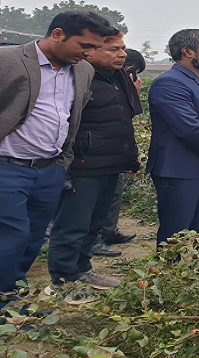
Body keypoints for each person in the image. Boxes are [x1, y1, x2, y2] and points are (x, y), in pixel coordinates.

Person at [0, 11, 116, 309]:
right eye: (85, 45)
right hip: (7, 166)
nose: (89, 53)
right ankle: (6, 302)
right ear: (57, 34)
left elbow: (69, 116)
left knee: (33, 238)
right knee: (12, 235)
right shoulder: (8, 60)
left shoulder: (82, 71)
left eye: (95, 47)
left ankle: (12, 294)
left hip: (50, 169)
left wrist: (61, 163)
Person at [46, 33, 142, 302]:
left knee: (94, 223)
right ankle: (63, 280)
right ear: (89, 52)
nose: (122, 54)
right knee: (73, 224)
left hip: (110, 162)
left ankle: (83, 268)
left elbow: (123, 122)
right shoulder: (74, 78)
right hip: (82, 163)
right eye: (113, 50)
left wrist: (130, 158)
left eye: (122, 49)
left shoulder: (119, 77)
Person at [147, 29, 199, 246]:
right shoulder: (170, 83)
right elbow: (188, 128)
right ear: (188, 51)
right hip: (180, 169)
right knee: (176, 229)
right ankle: (169, 273)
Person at [90, 48, 146, 257]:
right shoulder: (99, 81)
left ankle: (107, 231)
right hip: (96, 152)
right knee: (93, 200)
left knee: (113, 193)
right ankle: (93, 240)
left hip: (115, 151)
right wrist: (131, 92)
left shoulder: (116, 81)